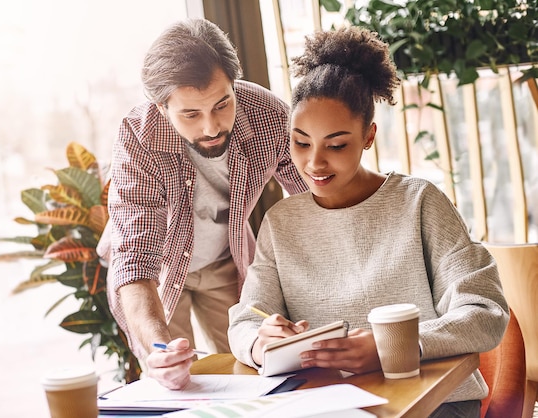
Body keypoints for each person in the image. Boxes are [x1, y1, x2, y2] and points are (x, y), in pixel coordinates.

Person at [228, 26, 509, 418]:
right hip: (326, 405)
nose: (314, 163)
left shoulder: (419, 203)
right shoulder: (282, 222)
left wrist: (390, 345)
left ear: (369, 136)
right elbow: (245, 319)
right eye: (301, 142)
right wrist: (261, 341)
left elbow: (485, 312)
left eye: (337, 144)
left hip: (433, 402)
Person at [101, 18, 307, 389]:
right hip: (157, 270)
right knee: (173, 373)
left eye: (221, 104)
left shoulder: (268, 117)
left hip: (225, 259)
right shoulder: (138, 136)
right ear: (162, 108)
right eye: (191, 114)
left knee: (248, 367)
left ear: (234, 85)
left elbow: (313, 201)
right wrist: (159, 352)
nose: (211, 127)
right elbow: (135, 259)